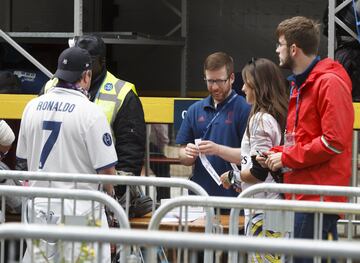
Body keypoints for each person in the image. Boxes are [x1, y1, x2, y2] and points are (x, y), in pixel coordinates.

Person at [261, 16, 354, 263]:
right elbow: (305, 139)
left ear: (293, 49)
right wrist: (276, 153)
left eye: (280, 44)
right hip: (307, 195)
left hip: (315, 197)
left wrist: (286, 157)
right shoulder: (305, 85)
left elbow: (333, 141)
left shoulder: (327, 83)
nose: (276, 50)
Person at [16, 46, 117, 262]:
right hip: (79, 209)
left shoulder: (31, 106)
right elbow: (108, 171)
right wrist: (113, 198)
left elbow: (22, 160)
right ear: (87, 75)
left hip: (39, 208)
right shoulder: (91, 112)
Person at [220, 58, 289, 262]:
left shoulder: (260, 120)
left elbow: (258, 172)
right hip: (274, 205)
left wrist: (232, 177)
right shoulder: (277, 115)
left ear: (259, 86)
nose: (242, 88)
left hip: (263, 209)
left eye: (246, 83)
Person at [176, 51, 251, 198]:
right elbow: (182, 154)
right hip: (200, 195)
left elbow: (249, 156)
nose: (215, 87)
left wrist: (217, 150)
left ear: (231, 78)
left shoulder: (245, 109)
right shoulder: (194, 110)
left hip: (235, 198)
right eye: (210, 81)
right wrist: (188, 154)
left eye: (219, 81)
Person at [149, 123, 171, 201]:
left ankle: (163, 201)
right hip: (149, 143)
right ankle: (163, 202)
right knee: (163, 167)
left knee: (162, 166)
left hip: (144, 141)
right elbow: (161, 130)